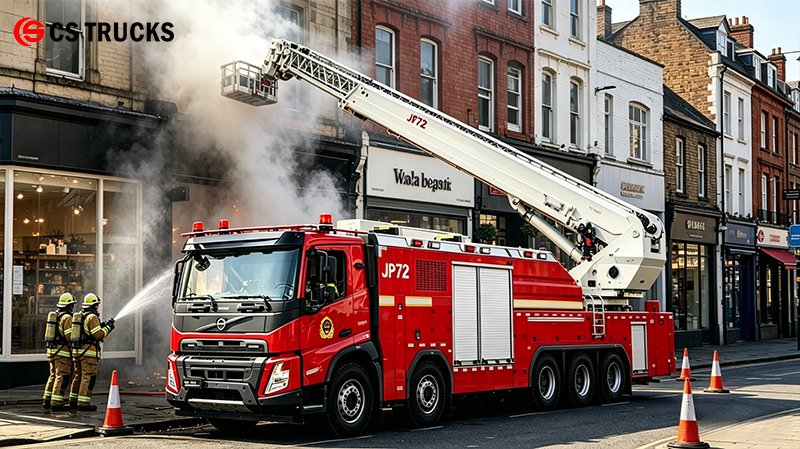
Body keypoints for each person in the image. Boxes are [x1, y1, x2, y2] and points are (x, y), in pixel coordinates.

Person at [69, 293, 114, 411]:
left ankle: (73, 401)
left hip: (78, 352)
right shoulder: (92, 317)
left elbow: (90, 330)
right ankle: (83, 404)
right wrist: (109, 328)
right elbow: (98, 335)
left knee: (78, 377)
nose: (98, 307)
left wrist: (103, 324)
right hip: (88, 354)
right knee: (87, 377)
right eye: (97, 305)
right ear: (94, 305)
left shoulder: (81, 315)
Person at [43, 293, 75, 412]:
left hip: (52, 351)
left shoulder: (55, 315)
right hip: (62, 352)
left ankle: (47, 400)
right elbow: (69, 336)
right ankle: (56, 403)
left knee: (53, 375)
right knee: (62, 376)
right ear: (70, 305)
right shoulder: (67, 317)